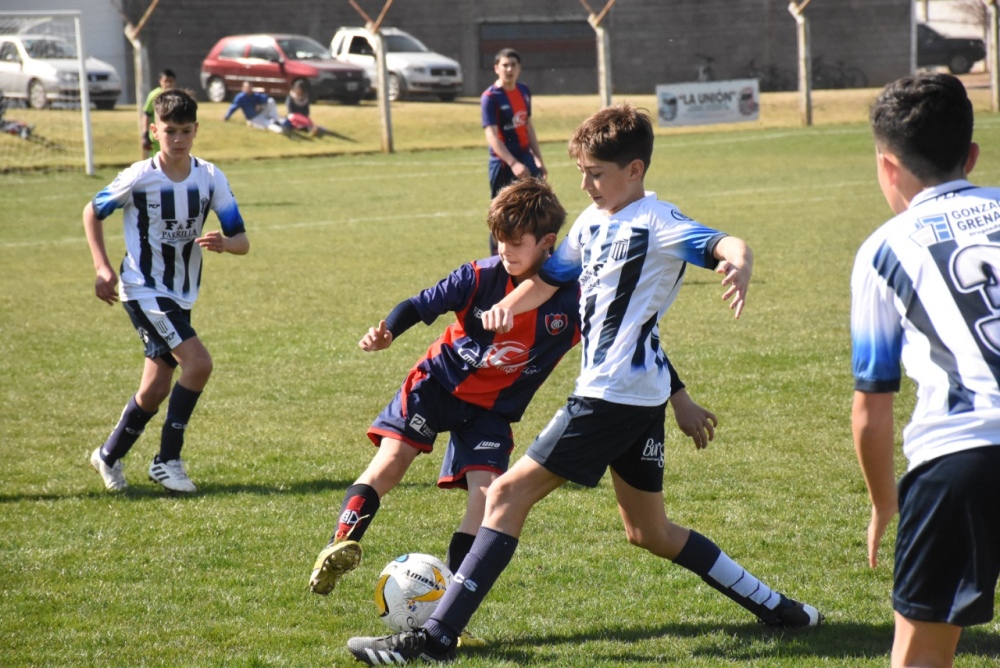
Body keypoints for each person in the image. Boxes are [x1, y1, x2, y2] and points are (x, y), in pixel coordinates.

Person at [346, 103, 822, 664]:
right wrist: (505, 307)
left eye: (597, 173)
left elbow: (723, 243)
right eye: (582, 172)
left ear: (635, 170)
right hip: (637, 398)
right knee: (651, 532)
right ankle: (780, 609)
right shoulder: (591, 225)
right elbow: (548, 281)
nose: (586, 184)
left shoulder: (658, 221)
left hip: (608, 396)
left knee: (503, 495)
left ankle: (433, 640)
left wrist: (738, 263)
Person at [851, 72, 1000, 668]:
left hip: (959, 460)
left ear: (888, 166)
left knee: (919, 657)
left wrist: (885, 502)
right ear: (972, 155)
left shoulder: (883, 248)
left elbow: (872, 407)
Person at [83, 89, 250, 493]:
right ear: (154, 131)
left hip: (180, 294)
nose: (178, 139)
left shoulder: (210, 177)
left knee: (156, 386)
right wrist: (102, 267)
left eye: (186, 131)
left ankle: (108, 455)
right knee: (199, 364)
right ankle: (167, 460)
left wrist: (226, 244)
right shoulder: (140, 177)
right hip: (142, 287)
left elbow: (242, 240)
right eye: (170, 131)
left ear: (196, 131)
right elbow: (93, 210)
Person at [481, 48, 547, 255]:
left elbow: (528, 126)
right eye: (505, 65)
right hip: (502, 164)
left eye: (513, 65)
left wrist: (538, 159)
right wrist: (512, 163)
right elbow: (492, 136)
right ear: (496, 68)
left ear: (519, 68)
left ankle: (542, 255)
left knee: (539, 207)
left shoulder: (524, 91)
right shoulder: (490, 97)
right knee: (502, 214)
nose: (509, 69)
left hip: (526, 159)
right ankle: (498, 260)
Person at [141, 68, 176, 157]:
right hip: (157, 135)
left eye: (170, 81)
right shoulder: (154, 95)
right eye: (165, 81)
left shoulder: (177, 97)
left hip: (173, 134)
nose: (168, 84)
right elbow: (147, 114)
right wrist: (145, 134)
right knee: (158, 159)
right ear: (160, 81)